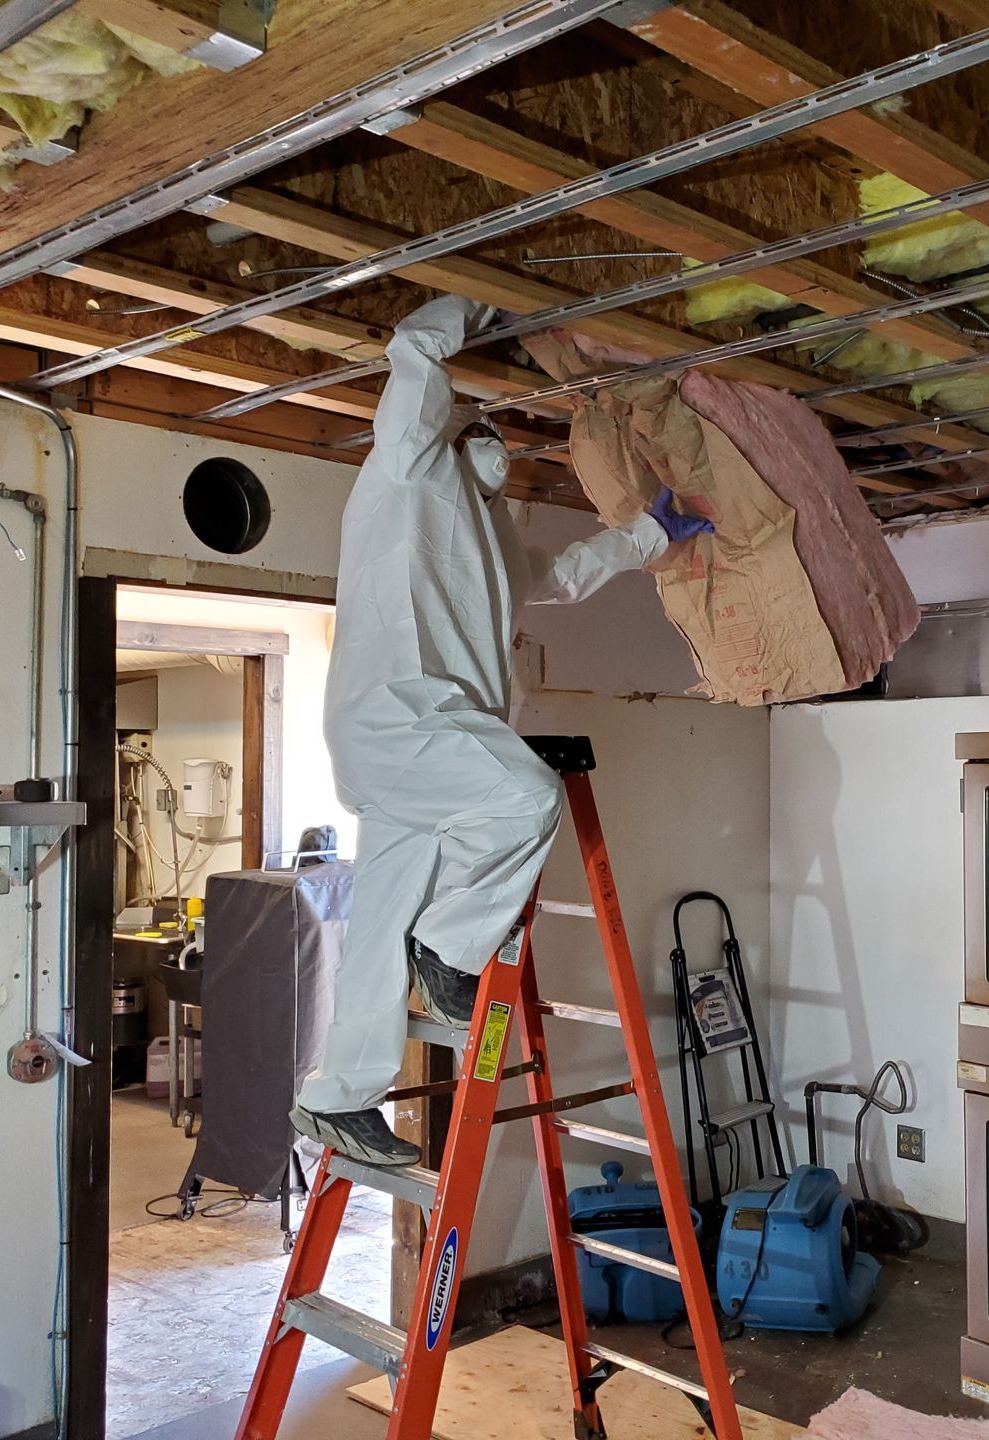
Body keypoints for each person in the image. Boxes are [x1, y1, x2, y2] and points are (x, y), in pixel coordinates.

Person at [290, 295, 711, 1166]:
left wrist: (647, 535)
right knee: (525, 799)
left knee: (379, 926)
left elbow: (559, 574)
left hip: (413, 735)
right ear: (452, 437)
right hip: (400, 716)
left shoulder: (484, 538)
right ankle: (447, 948)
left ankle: (337, 1096)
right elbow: (415, 346)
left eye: (500, 451)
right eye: (482, 438)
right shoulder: (404, 471)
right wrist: (484, 295)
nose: (497, 453)